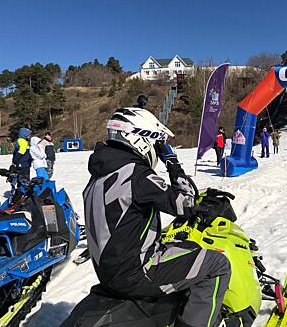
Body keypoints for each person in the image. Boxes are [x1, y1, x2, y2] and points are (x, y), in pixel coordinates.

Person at [83, 107, 231, 327]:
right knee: (217, 265)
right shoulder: (136, 173)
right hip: (137, 272)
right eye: (156, 143)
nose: (157, 149)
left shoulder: (97, 177)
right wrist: (172, 162)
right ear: (141, 140)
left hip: (109, 274)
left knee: (185, 245)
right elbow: (186, 202)